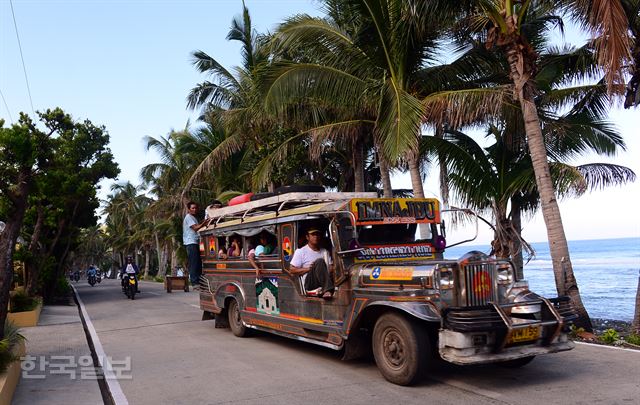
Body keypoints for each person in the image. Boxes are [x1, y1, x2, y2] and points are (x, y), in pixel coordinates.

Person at [289, 228, 334, 298]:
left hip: (324, 279)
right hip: (310, 282)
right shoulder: (301, 251)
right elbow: (292, 270)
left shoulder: (325, 251)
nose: (316, 237)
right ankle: (327, 290)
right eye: (313, 235)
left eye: (317, 235)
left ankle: (329, 288)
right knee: (320, 261)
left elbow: (331, 267)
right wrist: (308, 269)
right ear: (307, 237)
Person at [183, 201, 205, 289]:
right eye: (193, 208)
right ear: (189, 209)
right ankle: (195, 282)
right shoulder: (188, 217)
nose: (195, 209)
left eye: (196, 208)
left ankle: (199, 281)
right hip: (191, 242)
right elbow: (195, 228)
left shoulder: (193, 218)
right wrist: (204, 223)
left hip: (195, 242)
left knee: (198, 262)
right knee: (194, 262)